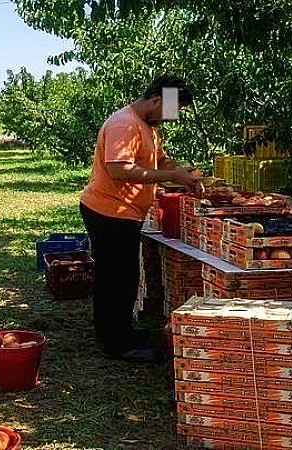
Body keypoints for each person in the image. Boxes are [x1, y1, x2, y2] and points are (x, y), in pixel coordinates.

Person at [79, 75, 201, 362]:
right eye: (171, 110)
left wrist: (182, 172)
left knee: (121, 276)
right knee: (116, 278)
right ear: (156, 100)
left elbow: (159, 159)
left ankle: (117, 332)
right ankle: (116, 344)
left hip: (123, 212)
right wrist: (171, 176)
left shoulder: (148, 126)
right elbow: (119, 169)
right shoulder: (125, 124)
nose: (171, 118)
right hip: (109, 211)